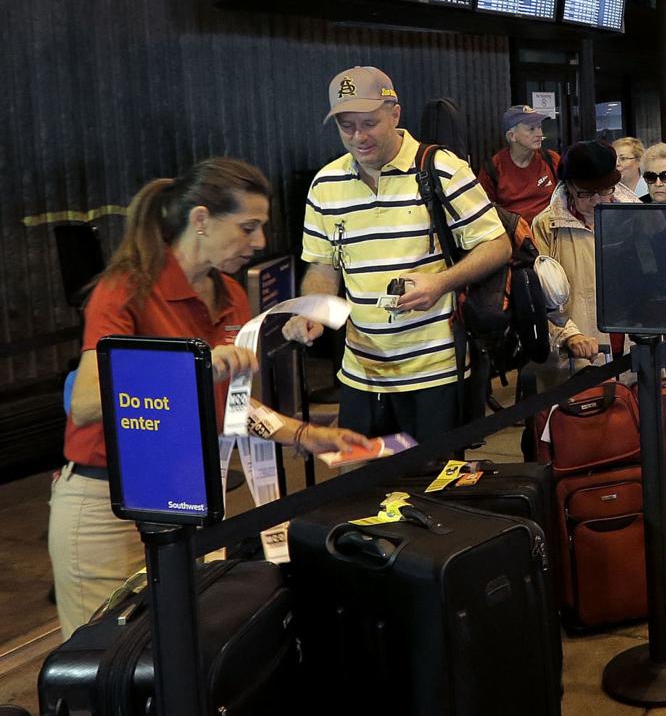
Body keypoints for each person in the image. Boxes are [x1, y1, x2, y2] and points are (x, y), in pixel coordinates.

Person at [48, 159, 370, 639]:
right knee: (110, 656)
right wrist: (192, 365)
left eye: (261, 228)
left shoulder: (231, 297)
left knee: (191, 650)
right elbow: (88, 404)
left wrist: (305, 434)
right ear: (201, 220)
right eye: (248, 227)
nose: (259, 242)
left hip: (187, 499)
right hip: (107, 507)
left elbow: (230, 410)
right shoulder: (124, 291)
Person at [284, 66, 510, 441]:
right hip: (361, 371)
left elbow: (497, 244)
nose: (359, 137)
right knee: (363, 487)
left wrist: (441, 283)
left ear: (395, 114)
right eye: (346, 126)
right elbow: (324, 265)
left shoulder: (440, 169)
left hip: (434, 368)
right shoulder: (325, 184)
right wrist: (313, 312)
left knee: (434, 485)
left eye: (370, 123)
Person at [530, 141, 639, 386]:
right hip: (581, 349)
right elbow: (539, 298)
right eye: (587, 193)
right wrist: (568, 335)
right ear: (568, 187)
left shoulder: (636, 215)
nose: (597, 200)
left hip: (635, 342)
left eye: (606, 190)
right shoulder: (547, 226)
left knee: (638, 417)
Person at [477, 104, 561, 224]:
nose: (539, 133)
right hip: (514, 236)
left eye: (539, 127)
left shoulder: (551, 159)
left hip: (549, 234)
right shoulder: (492, 169)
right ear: (512, 136)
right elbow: (484, 212)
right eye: (531, 128)